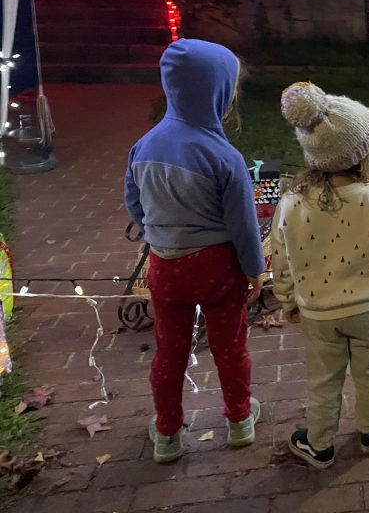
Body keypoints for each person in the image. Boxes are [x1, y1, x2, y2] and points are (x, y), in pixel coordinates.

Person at [125, 39, 265, 464]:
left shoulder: (144, 146)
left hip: (165, 267)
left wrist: (160, 232)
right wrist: (254, 270)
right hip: (217, 267)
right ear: (218, 92)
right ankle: (240, 420)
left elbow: (135, 203)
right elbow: (243, 224)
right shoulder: (224, 155)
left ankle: (167, 433)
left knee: (170, 350)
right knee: (230, 347)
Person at [273, 82, 369, 469]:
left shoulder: (291, 204)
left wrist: (287, 301)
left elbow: (280, 261)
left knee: (323, 381)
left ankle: (319, 445)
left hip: (319, 314)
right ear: (361, 153)